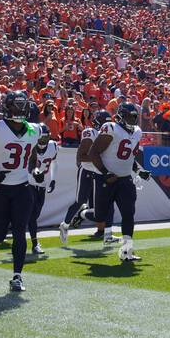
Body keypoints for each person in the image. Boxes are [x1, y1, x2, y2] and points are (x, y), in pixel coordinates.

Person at [0, 91, 44, 290]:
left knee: (20, 233)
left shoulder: (34, 130)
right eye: (16, 106)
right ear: (7, 107)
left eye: (23, 106)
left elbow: (31, 158)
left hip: (22, 188)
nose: (20, 110)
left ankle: (17, 276)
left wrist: (36, 170)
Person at [88, 101, 150, 263]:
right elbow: (93, 152)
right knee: (99, 216)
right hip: (106, 179)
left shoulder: (137, 132)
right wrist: (105, 172)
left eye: (135, 117)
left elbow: (129, 156)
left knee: (128, 214)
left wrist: (138, 170)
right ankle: (81, 213)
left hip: (124, 180)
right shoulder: (111, 128)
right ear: (121, 116)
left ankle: (127, 251)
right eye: (130, 116)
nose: (133, 120)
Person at [59, 110, 109, 246]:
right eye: (105, 122)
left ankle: (100, 230)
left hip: (98, 171)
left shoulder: (109, 134)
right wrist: (98, 158)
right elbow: (82, 155)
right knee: (80, 200)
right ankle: (65, 225)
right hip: (87, 170)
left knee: (99, 206)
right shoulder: (90, 132)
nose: (108, 125)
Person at [28, 124, 58, 257]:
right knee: (32, 215)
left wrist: (53, 179)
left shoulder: (53, 146)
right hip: (28, 183)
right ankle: (35, 244)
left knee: (35, 214)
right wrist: (34, 173)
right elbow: (29, 164)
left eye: (45, 138)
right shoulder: (30, 145)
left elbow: (54, 163)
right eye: (41, 138)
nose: (43, 141)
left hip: (42, 184)